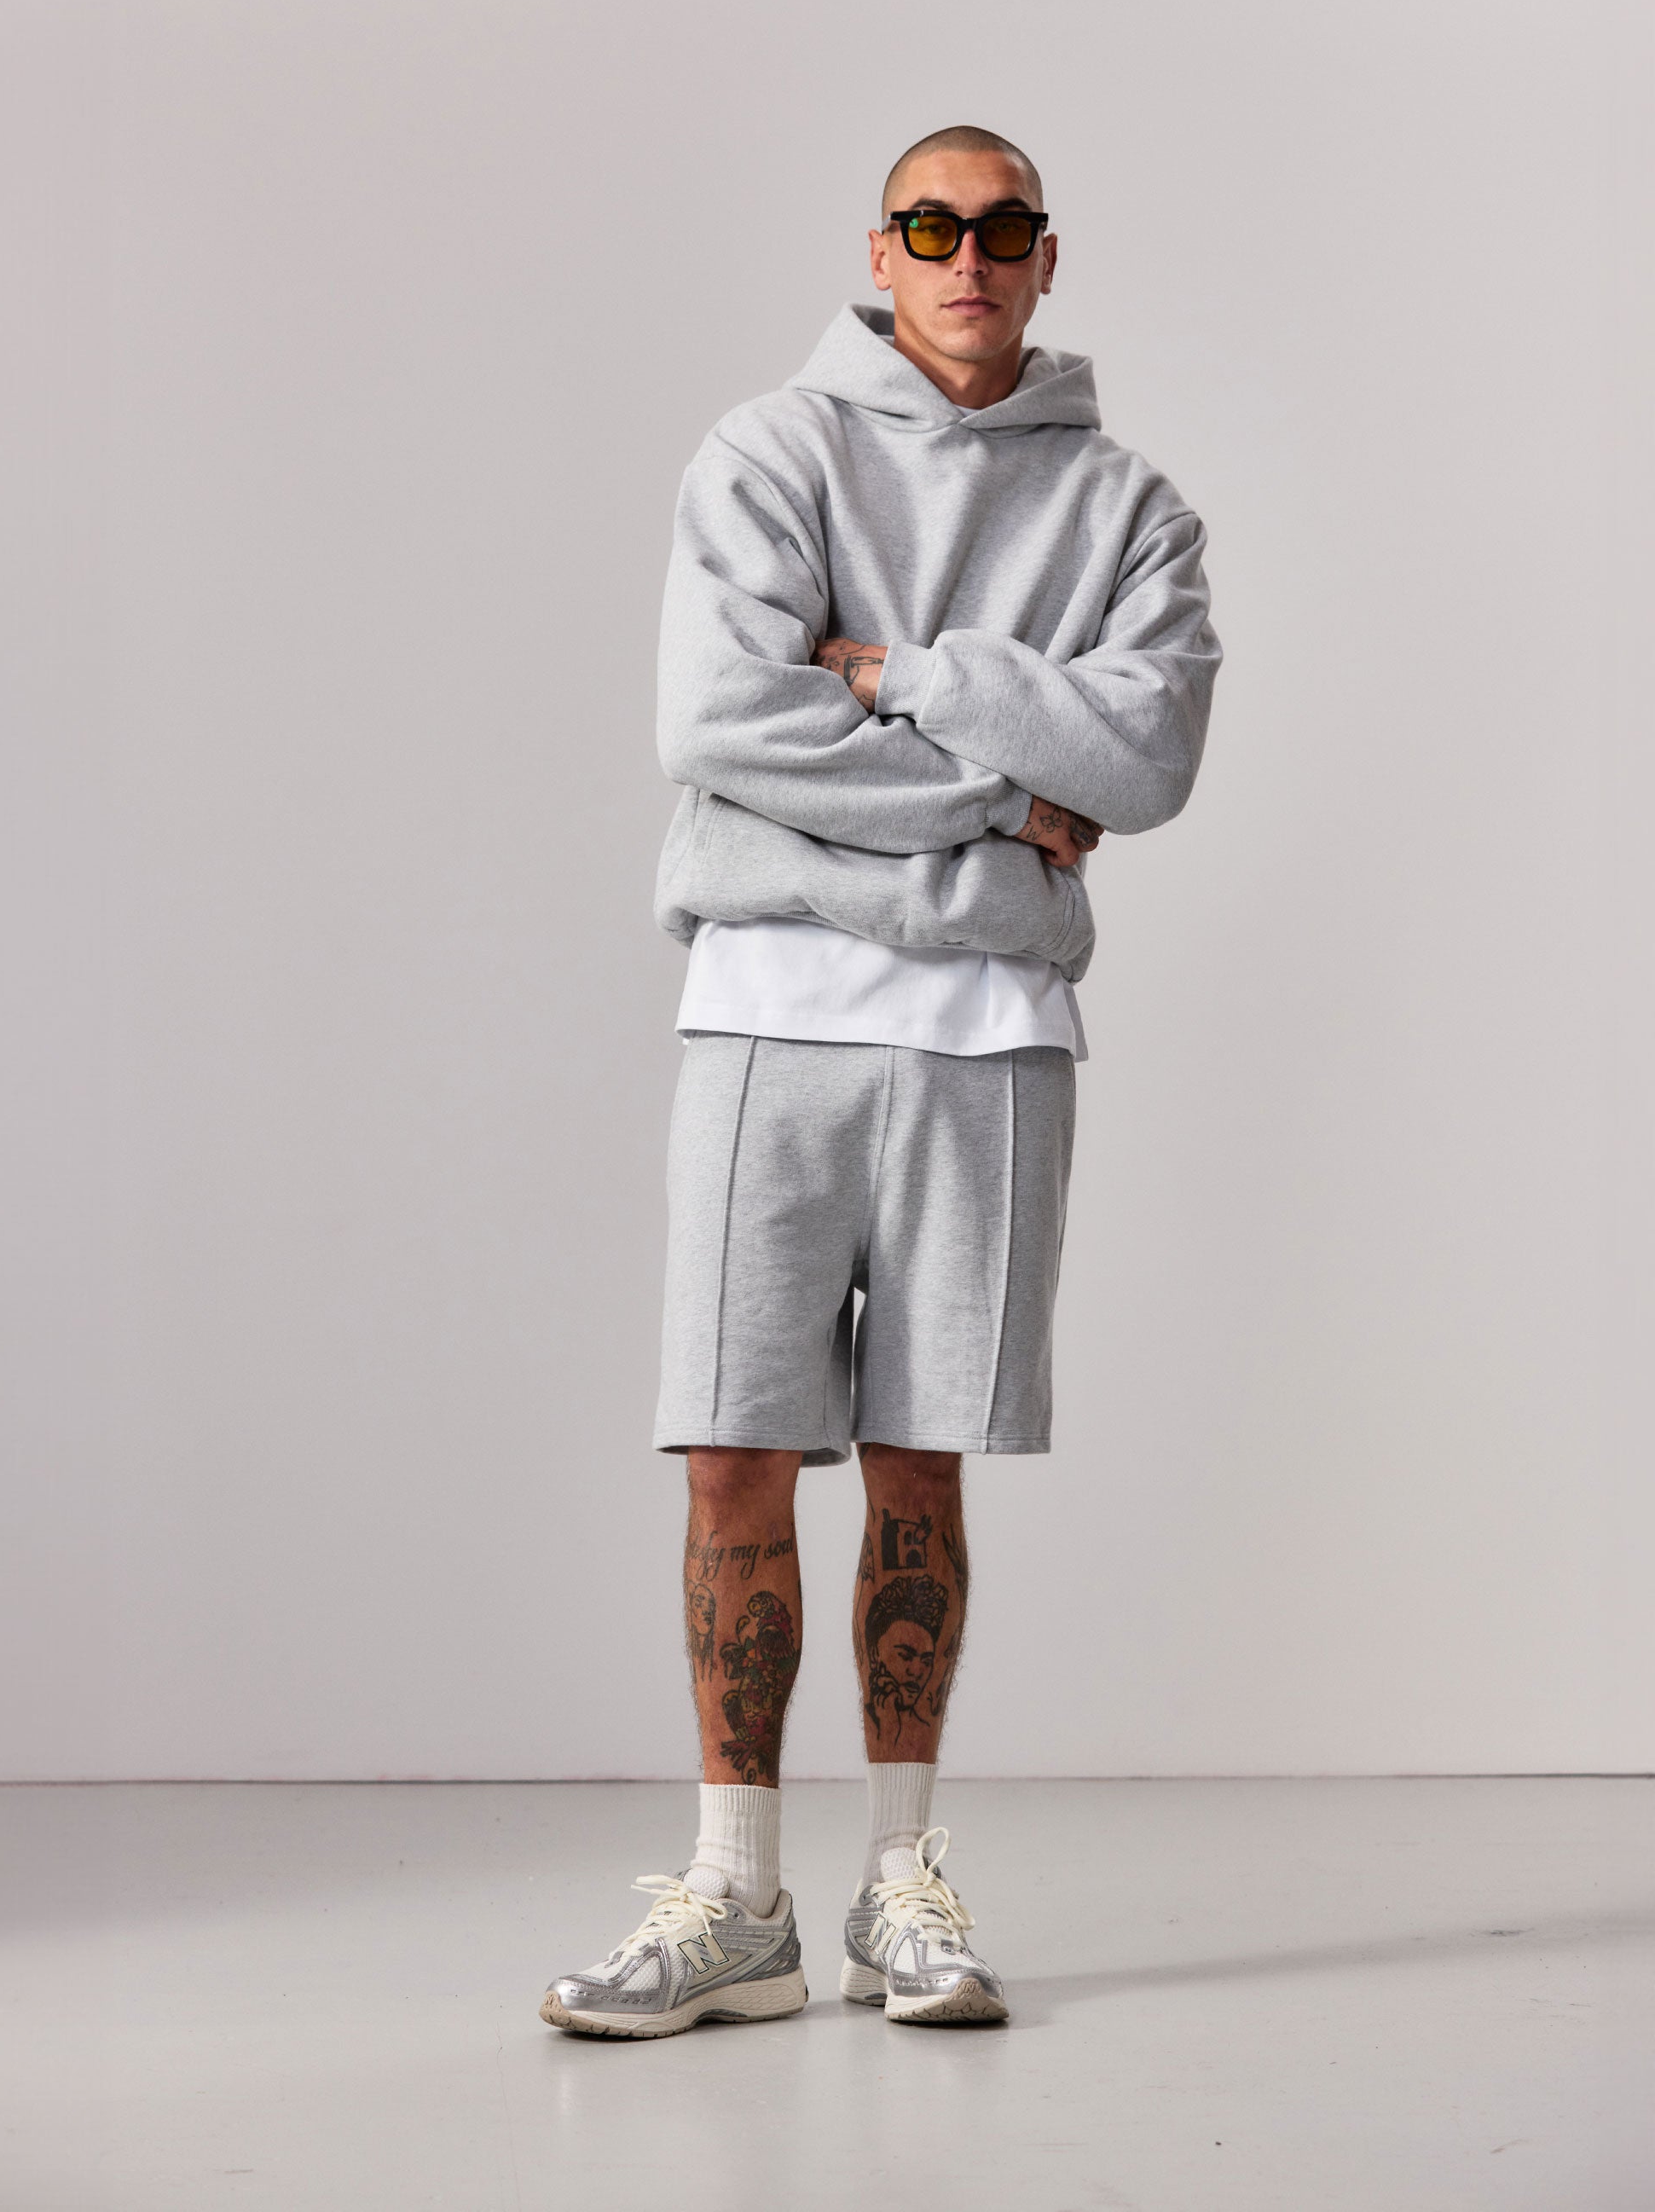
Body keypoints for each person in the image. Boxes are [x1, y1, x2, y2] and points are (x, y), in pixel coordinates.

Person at [540, 124, 1221, 2039]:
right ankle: (734, 1895)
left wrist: (906, 673)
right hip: (768, 1009)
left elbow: (1149, 759)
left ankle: (898, 1887)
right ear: (882, 247)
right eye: (933, 227)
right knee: (732, 1449)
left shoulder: (1131, 509)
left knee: (921, 1462)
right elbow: (718, 720)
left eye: (1003, 230)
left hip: (991, 1042)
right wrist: (1007, 798)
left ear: (1049, 255)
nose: (967, 259)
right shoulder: (770, 452)